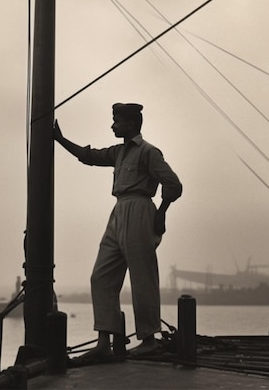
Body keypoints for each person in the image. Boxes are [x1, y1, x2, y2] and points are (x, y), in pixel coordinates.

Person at [54, 102, 183, 360]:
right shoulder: (118, 153)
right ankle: (104, 341)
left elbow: (173, 184)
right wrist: (60, 139)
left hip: (140, 209)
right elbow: (89, 156)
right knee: (101, 276)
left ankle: (148, 339)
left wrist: (161, 213)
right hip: (119, 210)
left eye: (117, 121)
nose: (113, 125)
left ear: (132, 124)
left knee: (142, 276)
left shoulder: (148, 152)